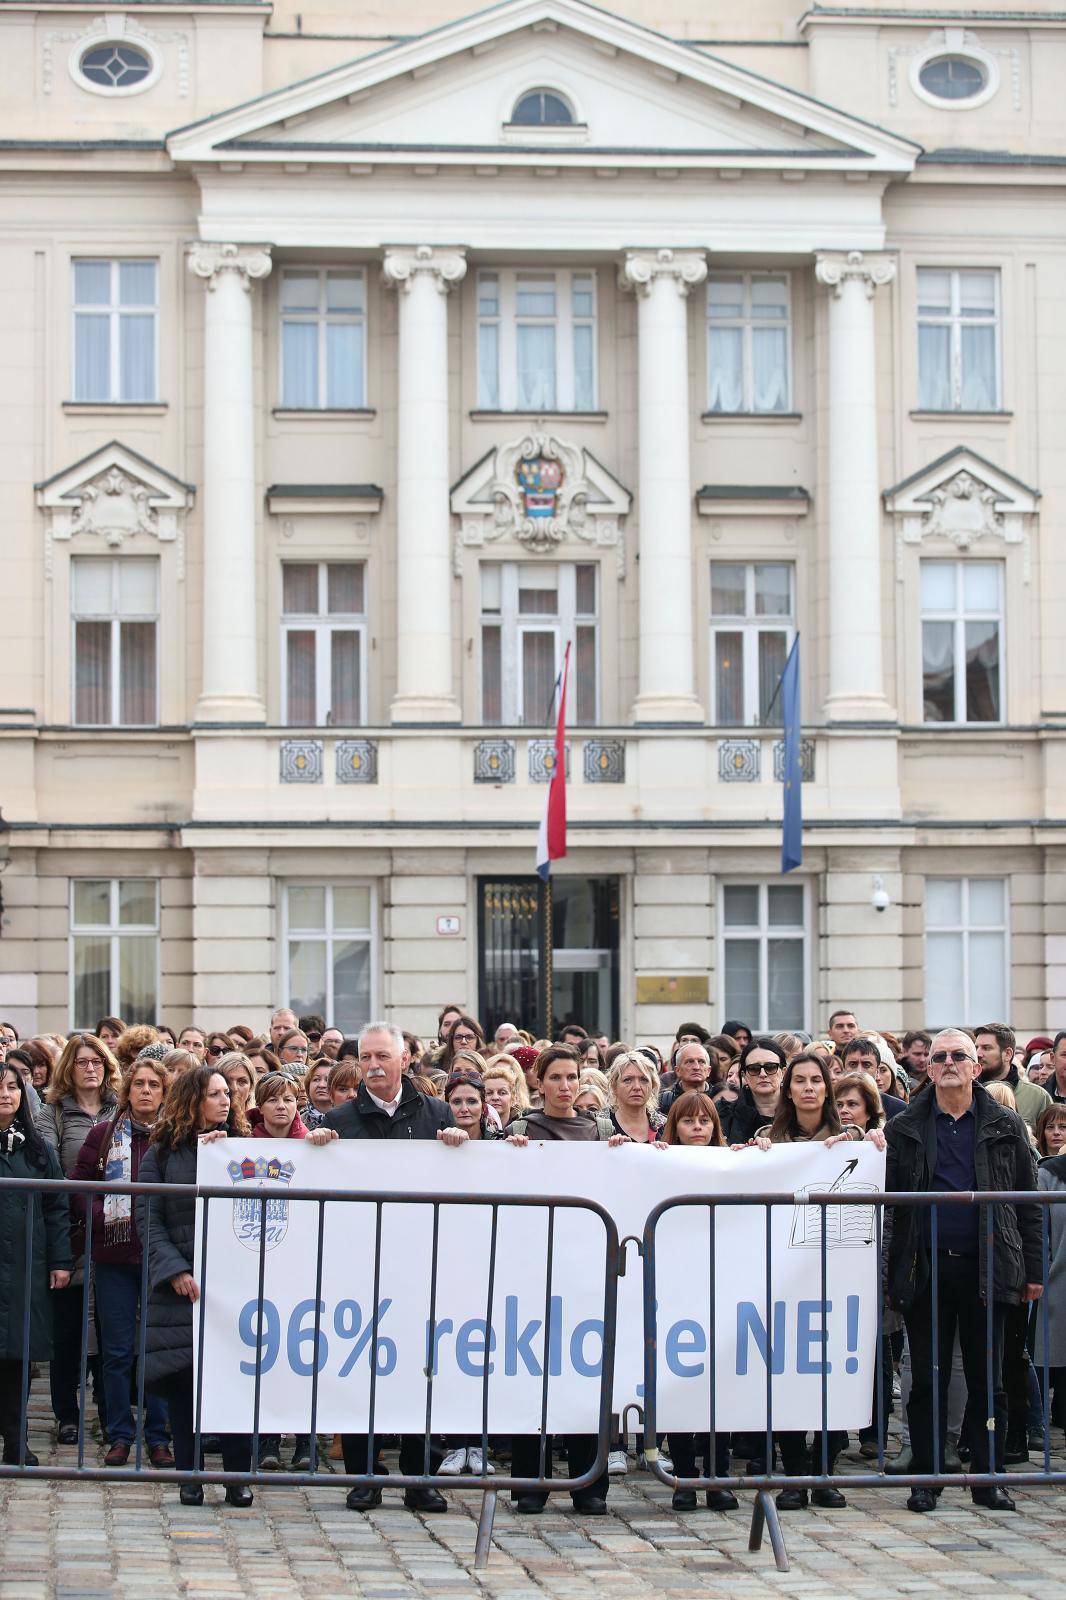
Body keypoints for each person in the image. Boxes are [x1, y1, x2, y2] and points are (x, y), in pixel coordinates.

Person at [884, 1028, 1042, 1515]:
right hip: (925, 1268)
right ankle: (927, 1478)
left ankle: (986, 1477)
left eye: (960, 1055)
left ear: (978, 1067)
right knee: (927, 1380)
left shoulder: (1005, 1124)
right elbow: (889, 1206)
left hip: (989, 1269)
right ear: (927, 1067)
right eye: (940, 1056)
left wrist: (1033, 1270)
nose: (949, 1062)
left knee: (987, 1381)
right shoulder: (906, 1126)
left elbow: (1029, 1205)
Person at [323, 1023, 466, 1513]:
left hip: (421, 1264)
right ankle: (365, 1475)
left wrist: (457, 1143)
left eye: (383, 1055)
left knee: (422, 1370)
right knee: (360, 1369)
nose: (374, 1065)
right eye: (365, 1057)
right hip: (360, 1265)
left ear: (406, 1059)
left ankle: (421, 1475)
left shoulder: (436, 1113)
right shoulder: (339, 1118)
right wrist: (317, 1146)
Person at [752, 1051, 867, 1509]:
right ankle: (795, 1473)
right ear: (789, 1088)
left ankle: (825, 1470)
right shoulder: (768, 1138)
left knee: (833, 1372)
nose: (807, 1088)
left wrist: (869, 1141)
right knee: (787, 1375)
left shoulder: (851, 1141)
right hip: (783, 1275)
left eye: (815, 1080)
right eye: (798, 1080)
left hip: (837, 1274)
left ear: (827, 1087)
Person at [136, 1064, 253, 1507]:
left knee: (236, 1383)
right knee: (186, 1388)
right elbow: (149, 1217)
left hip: (235, 1288)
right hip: (184, 1290)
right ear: (193, 1099)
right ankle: (189, 1475)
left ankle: (238, 1478)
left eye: (228, 1093)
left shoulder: (242, 1146)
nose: (226, 1101)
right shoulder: (162, 1153)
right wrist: (175, 1271)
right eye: (215, 1093)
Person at [505, 1044, 614, 1515]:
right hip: (532, 1265)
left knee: (585, 1374)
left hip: (587, 1265)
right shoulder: (518, 1130)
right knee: (533, 1374)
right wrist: (507, 1156)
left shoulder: (601, 1130)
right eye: (557, 1078)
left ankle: (588, 1484)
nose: (566, 1086)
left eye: (573, 1077)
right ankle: (529, 1483)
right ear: (539, 1082)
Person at [69, 1057, 173, 1467]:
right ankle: (119, 1433)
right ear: (127, 1090)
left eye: (154, 1085)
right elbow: (80, 1183)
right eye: (139, 1084)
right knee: (116, 1351)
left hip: (159, 1257)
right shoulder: (104, 1133)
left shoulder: (175, 1136)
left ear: (165, 1093)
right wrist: (103, 1218)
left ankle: (159, 1436)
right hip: (114, 1255)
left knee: (157, 1349)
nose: (146, 1091)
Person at [36, 1032, 121, 1443]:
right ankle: (67, 1414)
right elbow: (49, 1166)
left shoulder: (119, 1110)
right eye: (83, 1061)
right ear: (68, 1067)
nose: (90, 1068)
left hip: (113, 1231)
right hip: (69, 1233)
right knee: (68, 1329)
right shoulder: (52, 1111)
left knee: (109, 1329)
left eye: (97, 1062)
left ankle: (109, 1413)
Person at [654, 1090, 737, 1512]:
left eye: (705, 1120)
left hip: (718, 1286)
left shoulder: (730, 1162)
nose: (698, 1127)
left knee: (715, 1390)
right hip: (673, 1288)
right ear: (675, 1126)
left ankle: (718, 1476)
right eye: (689, 1121)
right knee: (677, 1387)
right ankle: (684, 1477)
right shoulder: (659, 1160)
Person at [0, 1063, 72, 1465]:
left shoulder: (36, 1149)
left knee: (18, 1355)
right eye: (0, 1087)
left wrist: (61, 1261)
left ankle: (16, 1440)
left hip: (26, 1263)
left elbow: (57, 1205)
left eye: (13, 1087)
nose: (6, 1094)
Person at [976, 1024, 1053, 1132]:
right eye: (976, 1048)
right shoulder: (967, 1093)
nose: (978, 1054)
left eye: (986, 1048)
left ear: (1007, 1054)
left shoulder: (1037, 1097)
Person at [719, 1038, 786, 1145]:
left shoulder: (800, 1111)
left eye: (771, 1067)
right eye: (754, 1068)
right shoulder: (723, 1113)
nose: (763, 1074)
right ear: (745, 1075)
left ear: (783, 1072)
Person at [838, 1038, 906, 1117]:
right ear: (843, 1069)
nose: (859, 1071)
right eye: (853, 1064)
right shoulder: (829, 1106)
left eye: (866, 1065)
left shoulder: (898, 1109)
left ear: (877, 1071)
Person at [608, 1051, 666, 1143]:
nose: (637, 1087)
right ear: (614, 1086)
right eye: (628, 1080)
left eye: (644, 1080)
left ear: (653, 1085)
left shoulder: (665, 1127)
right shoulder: (599, 1127)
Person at [659, 1041, 712, 1113]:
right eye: (690, 1062)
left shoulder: (719, 1099)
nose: (696, 1067)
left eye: (701, 1062)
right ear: (677, 1070)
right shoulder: (664, 1101)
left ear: (708, 1070)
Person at [481, 1058, 528, 1128]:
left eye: (502, 1093)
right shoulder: (474, 1129)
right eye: (489, 1093)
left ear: (514, 1098)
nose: (495, 1097)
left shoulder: (525, 1129)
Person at [219, 1052, 256, 1120]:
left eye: (242, 1082)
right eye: (227, 1081)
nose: (234, 1088)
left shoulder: (260, 1122)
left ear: (251, 1087)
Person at [302, 1060, 333, 1128]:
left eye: (328, 1080)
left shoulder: (349, 1120)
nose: (321, 1085)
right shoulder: (297, 1122)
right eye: (316, 1079)